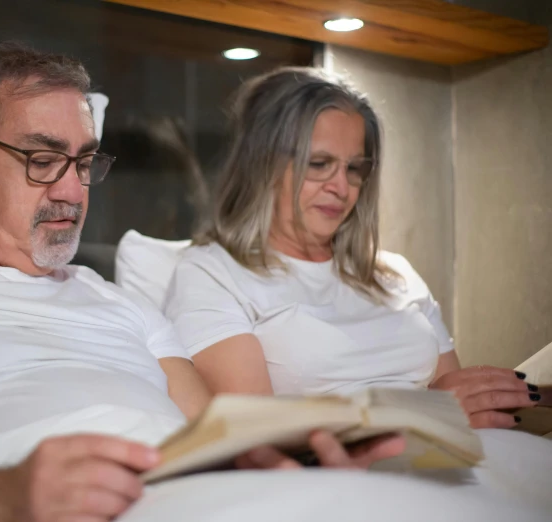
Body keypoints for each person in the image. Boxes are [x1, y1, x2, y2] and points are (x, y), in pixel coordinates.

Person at [0, 45, 404, 522]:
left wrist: (302, 464)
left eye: (82, 163)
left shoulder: (118, 303)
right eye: (42, 161)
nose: (72, 191)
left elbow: (218, 434)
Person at [163, 67, 541, 430]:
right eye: (319, 164)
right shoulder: (212, 273)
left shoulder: (395, 274)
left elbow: (460, 399)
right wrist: (425, 411)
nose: (341, 187)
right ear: (261, 165)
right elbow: (254, 433)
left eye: (354, 168)